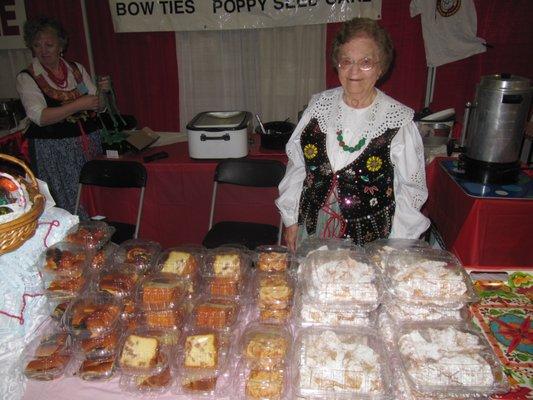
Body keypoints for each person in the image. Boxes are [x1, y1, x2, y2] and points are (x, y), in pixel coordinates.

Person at [276, 17, 430, 252]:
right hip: (311, 229)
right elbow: (297, 166)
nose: (354, 71)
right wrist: (290, 220)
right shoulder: (317, 108)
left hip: (370, 239)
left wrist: (393, 248)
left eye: (366, 62)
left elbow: (410, 192)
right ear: (337, 64)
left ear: (380, 67)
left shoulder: (398, 121)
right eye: (346, 61)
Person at [16, 17, 109, 213]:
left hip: (87, 147)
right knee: (67, 202)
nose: (43, 50)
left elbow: (98, 106)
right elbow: (40, 117)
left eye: (49, 44)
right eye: (37, 45)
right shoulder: (28, 77)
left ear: (61, 45)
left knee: (94, 198)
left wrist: (104, 94)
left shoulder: (76, 70)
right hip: (54, 152)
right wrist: (77, 104)